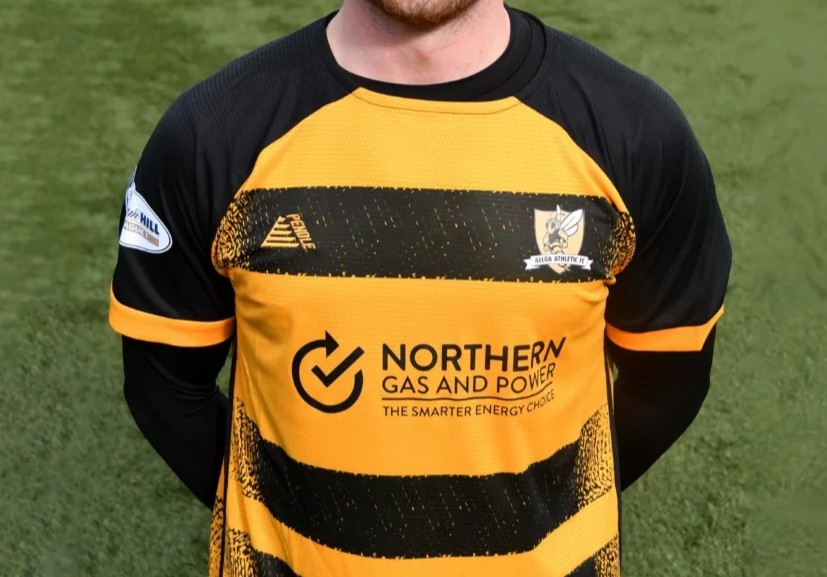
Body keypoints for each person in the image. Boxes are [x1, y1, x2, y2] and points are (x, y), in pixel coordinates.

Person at [108, 0, 732, 575]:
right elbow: (165, 388)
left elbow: (669, 381)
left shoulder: (636, 133)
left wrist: (549, 506)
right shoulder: (212, 133)